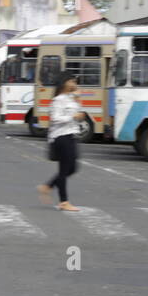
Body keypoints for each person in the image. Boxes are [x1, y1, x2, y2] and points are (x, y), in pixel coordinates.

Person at [39, 74, 84, 212]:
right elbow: (55, 118)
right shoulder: (57, 100)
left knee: (73, 168)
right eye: (72, 80)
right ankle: (63, 201)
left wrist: (78, 101)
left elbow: (79, 115)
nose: (74, 83)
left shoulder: (71, 98)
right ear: (64, 83)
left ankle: (48, 186)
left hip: (71, 135)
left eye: (75, 81)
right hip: (60, 136)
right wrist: (73, 116)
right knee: (65, 169)